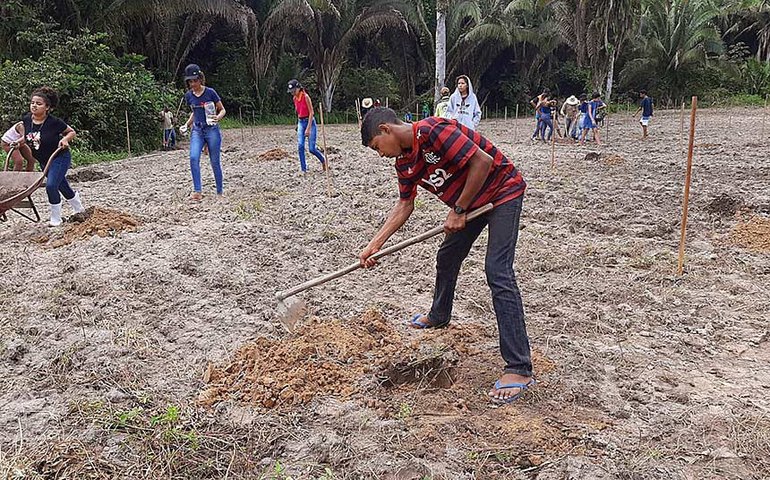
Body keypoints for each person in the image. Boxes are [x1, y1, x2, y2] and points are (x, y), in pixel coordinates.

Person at [359, 107, 534, 404]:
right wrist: (375, 243)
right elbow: (404, 205)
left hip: (501, 192)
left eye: (377, 147)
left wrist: (459, 209)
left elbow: (483, 161)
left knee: (497, 271)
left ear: (386, 129)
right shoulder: (404, 162)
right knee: (447, 257)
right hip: (470, 203)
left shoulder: (434, 130)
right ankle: (439, 316)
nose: (381, 154)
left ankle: (519, 367)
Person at [20, 86, 84, 226]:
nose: (34, 106)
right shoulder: (26, 120)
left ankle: (56, 218)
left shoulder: (54, 122)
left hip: (59, 157)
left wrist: (65, 139)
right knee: (61, 185)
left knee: (51, 185)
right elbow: (28, 137)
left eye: (39, 104)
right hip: (44, 161)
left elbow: (71, 132)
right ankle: (78, 208)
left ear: (47, 107)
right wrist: (17, 142)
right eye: (32, 103)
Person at [180, 64, 225, 200]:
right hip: (197, 130)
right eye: (190, 81)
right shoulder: (189, 96)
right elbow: (194, 113)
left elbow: (222, 109)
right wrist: (186, 125)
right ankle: (197, 190)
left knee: (214, 161)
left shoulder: (210, 92)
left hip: (211, 129)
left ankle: (219, 191)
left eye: (195, 80)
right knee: (193, 157)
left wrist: (217, 117)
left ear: (200, 78)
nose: (193, 84)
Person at [287, 79, 326, 174]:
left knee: (312, 149)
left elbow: (311, 112)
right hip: (301, 122)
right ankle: (303, 169)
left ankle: (323, 160)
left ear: (298, 88)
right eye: (291, 92)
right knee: (300, 146)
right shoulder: (295, 99)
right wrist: (298, 124)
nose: (292, 93)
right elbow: (298, 112)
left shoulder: (306, 97)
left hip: (310, 122)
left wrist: (308, 128)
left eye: (294, 91)